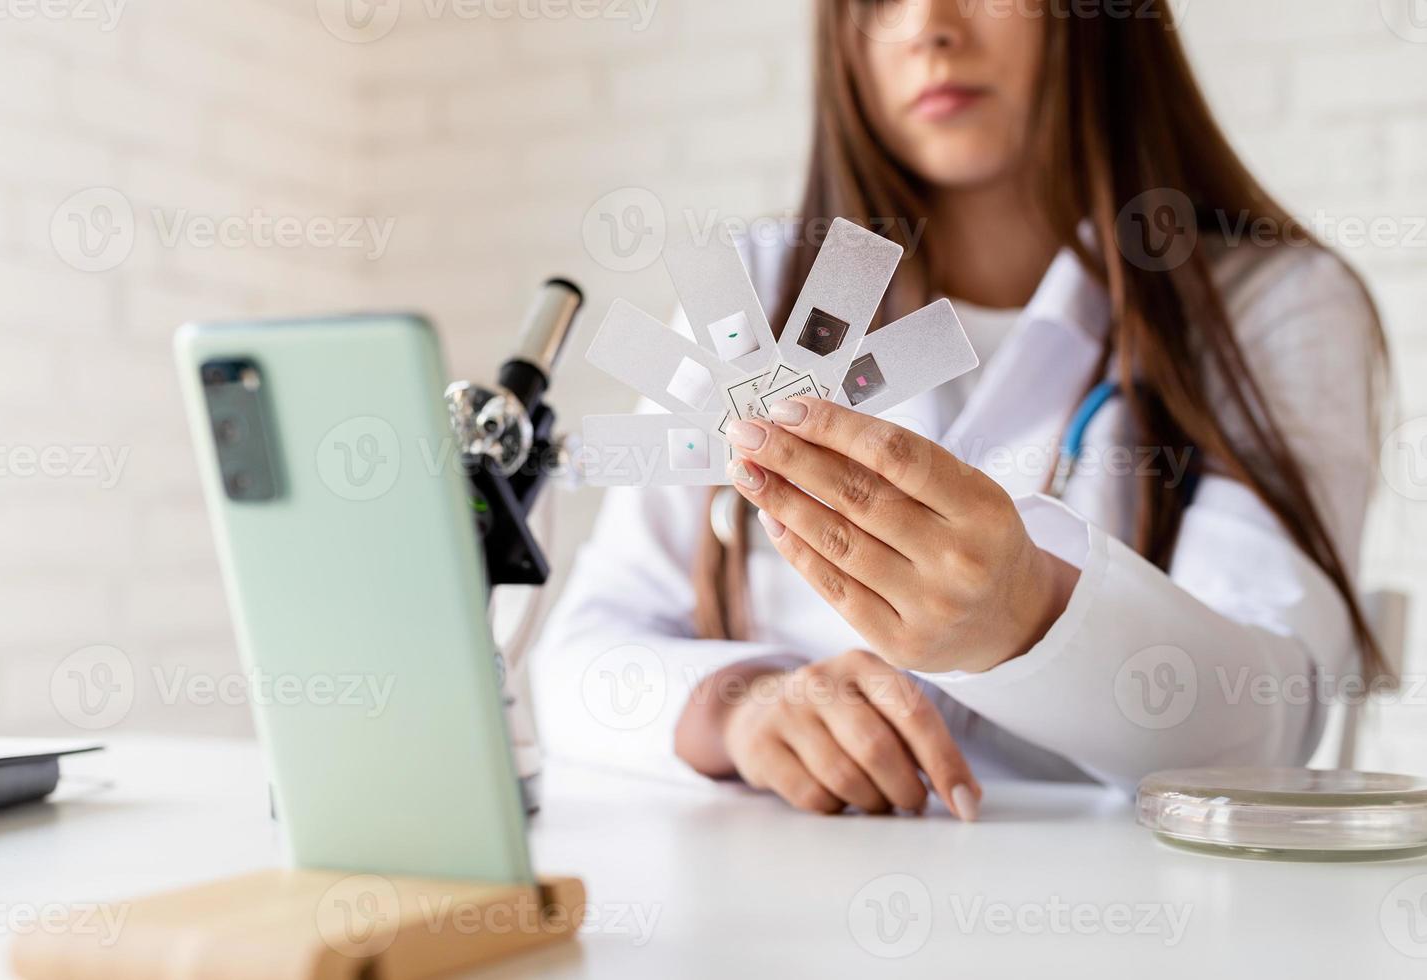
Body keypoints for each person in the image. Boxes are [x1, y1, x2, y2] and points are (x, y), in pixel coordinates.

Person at [530, 0, 1387, 822]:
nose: (928, 27)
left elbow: (1265, 723)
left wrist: (1026, 613)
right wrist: (742, 705)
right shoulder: (754, 291)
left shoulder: (1271, 306)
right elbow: (575, 658)